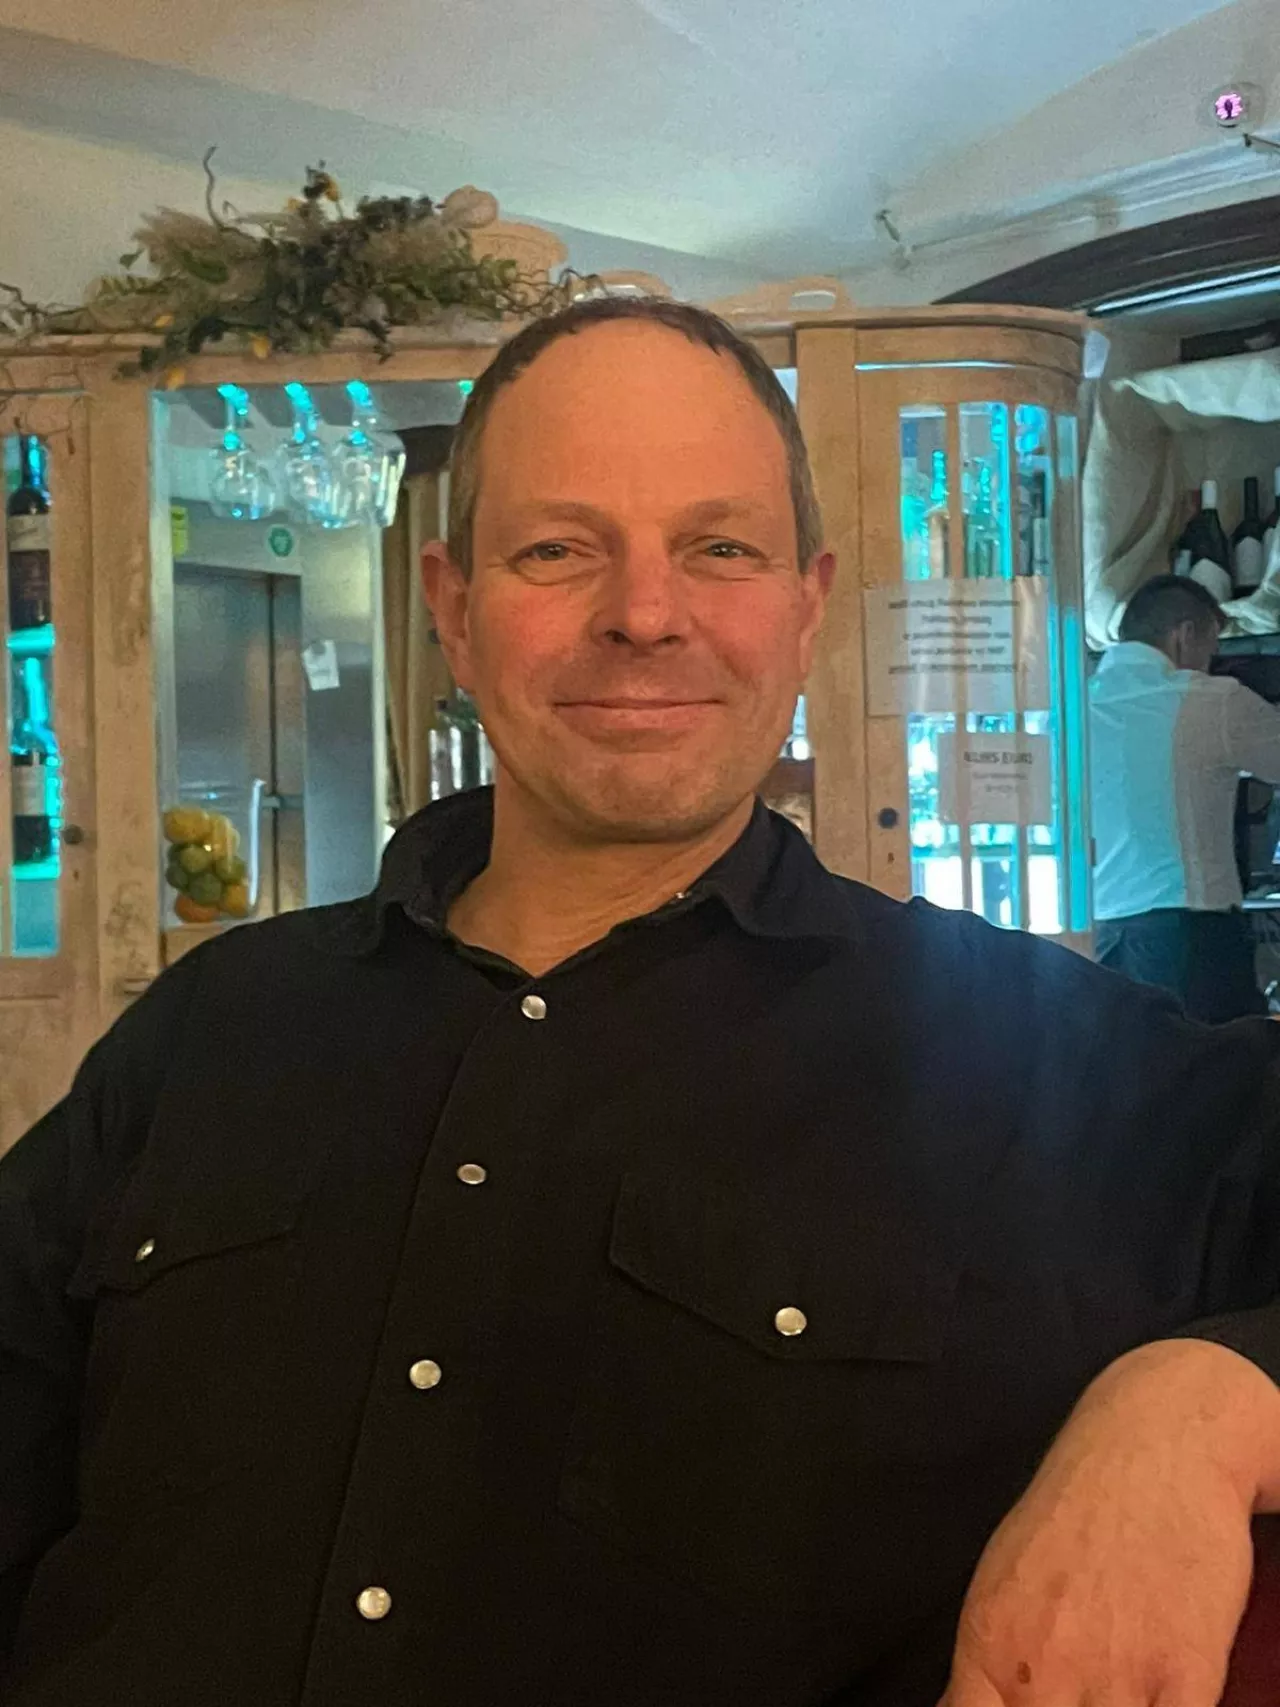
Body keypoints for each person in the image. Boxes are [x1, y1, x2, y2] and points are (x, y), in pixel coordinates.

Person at [5, 299, 1280, 1707]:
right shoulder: (211, 1027)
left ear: (805, 606)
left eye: (719, 548)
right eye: (558, 549)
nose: (645, 614)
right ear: (454, 610)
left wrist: (1205, 1403)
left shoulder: (1023, 1048)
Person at [1091, 573, 1280, 1022]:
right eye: (1209, 648)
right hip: (1190, 937)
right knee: (1220, 1062)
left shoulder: (1078, 704)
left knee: (1133, 1061)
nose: (1209, 663)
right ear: (1185, 635)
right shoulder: (1212, 701)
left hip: (1103, 936)